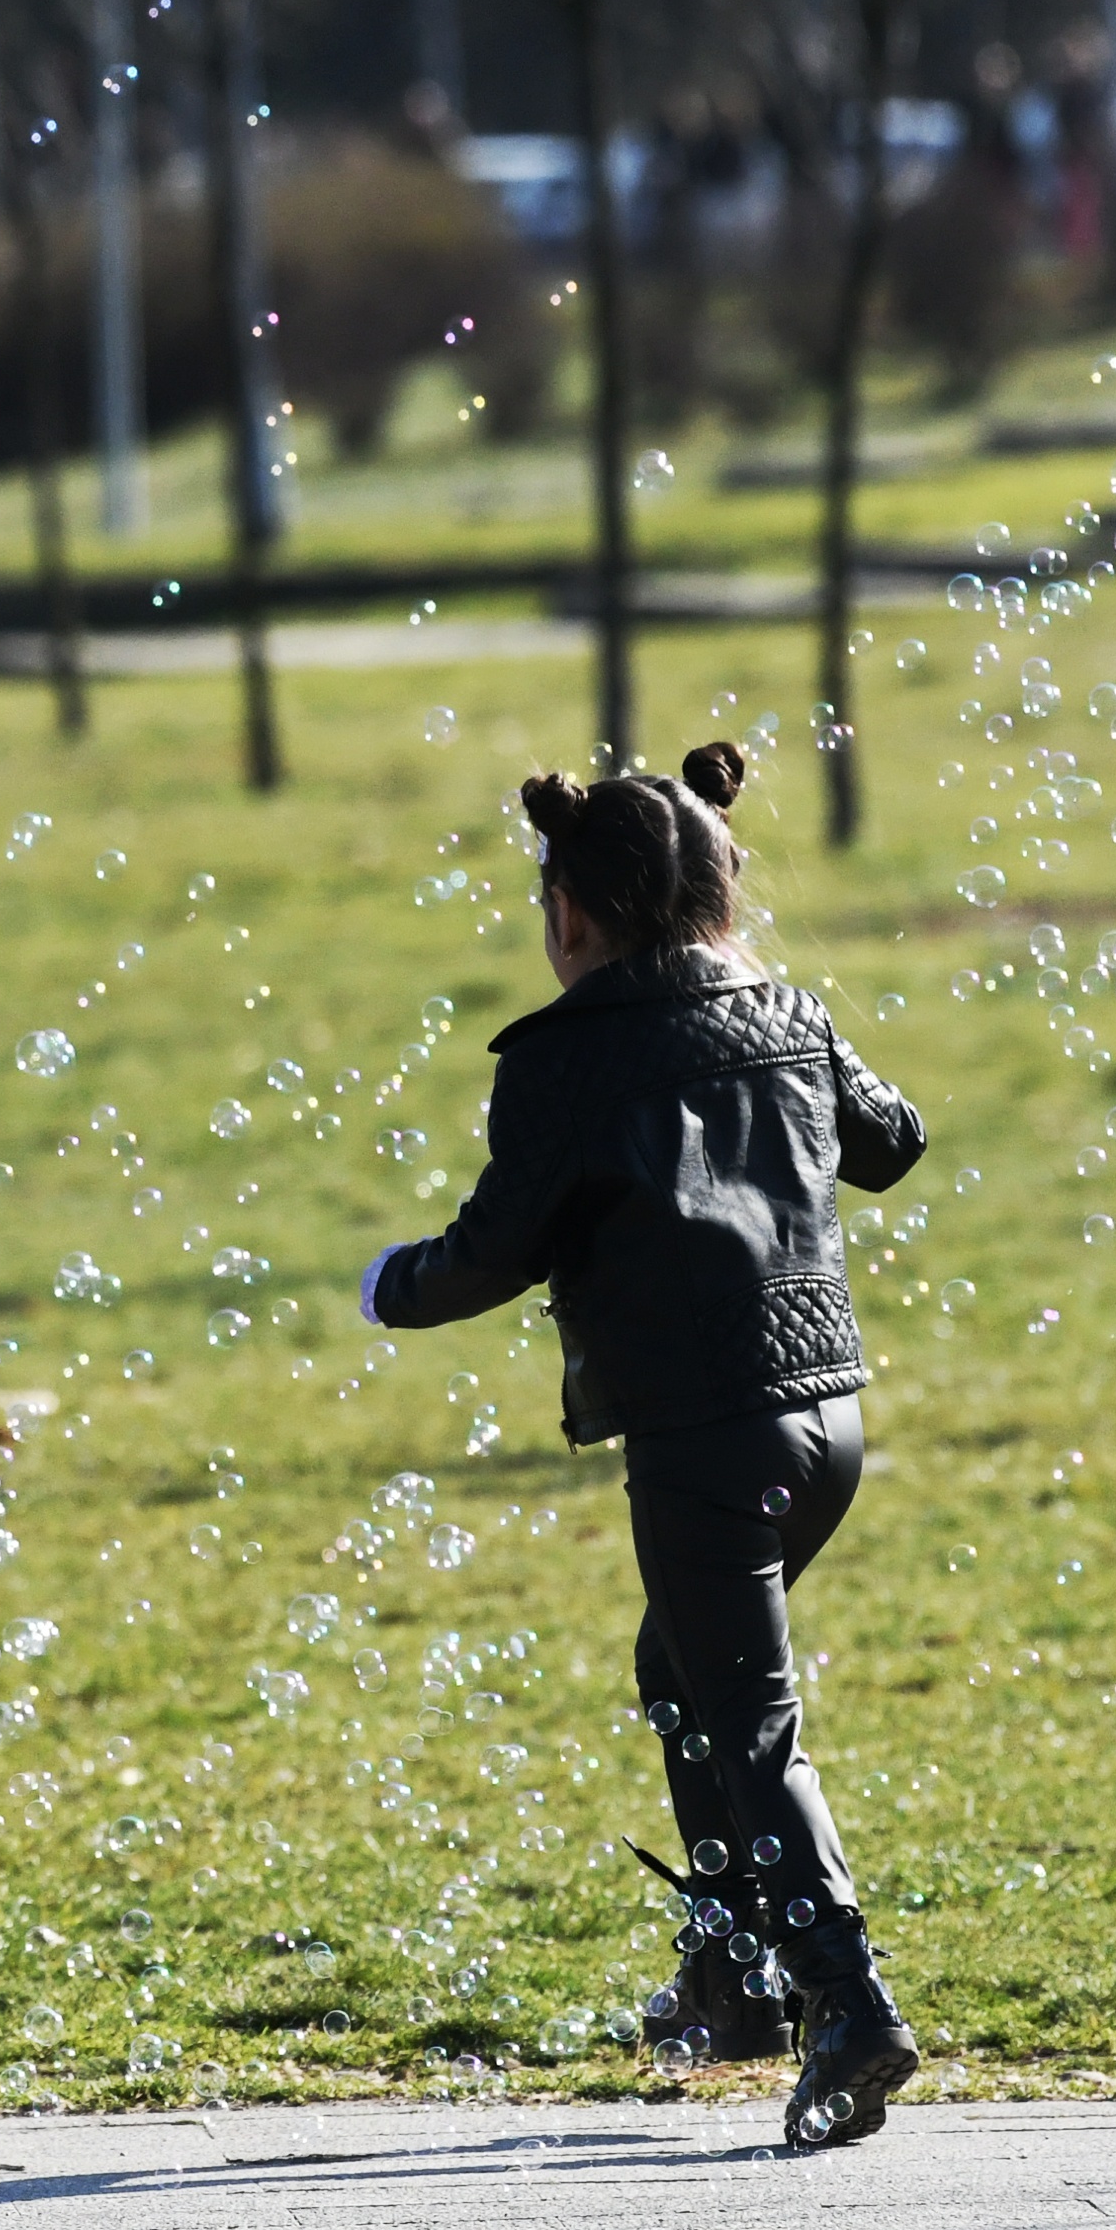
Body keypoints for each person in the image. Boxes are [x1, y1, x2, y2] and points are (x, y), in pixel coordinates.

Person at [355, 744, 930, 2151]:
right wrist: (789, 1047)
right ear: (720, 887)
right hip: (828, 1422)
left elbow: (493, 1248)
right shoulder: (786, 1008)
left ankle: (846, 2004)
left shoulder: (559, 1059)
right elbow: (892, 1142)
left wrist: (391, 1281)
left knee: (743, 1717)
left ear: (569, 912)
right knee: (679, 1672)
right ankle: (732, 1977)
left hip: (698, 1433)